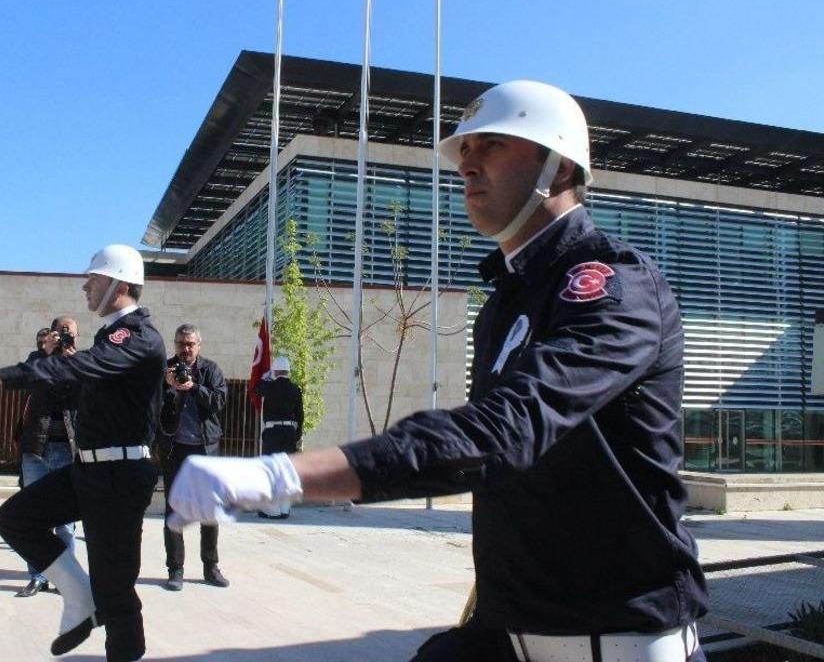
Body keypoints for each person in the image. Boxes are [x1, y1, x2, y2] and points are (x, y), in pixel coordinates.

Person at [168, 81, 710, 662]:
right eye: (465, 153)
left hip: (620, 636)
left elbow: (504, 432)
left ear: (556, 168)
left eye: (493, 146)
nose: (468, 167)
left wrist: (282, 476)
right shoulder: (506, 299)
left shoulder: (612, 285)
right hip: (508, 629)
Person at [0, 244, 165, 662]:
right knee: (16, 518)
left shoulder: (139, 337)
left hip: (120, 476)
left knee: (116, 592)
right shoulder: (111, 337)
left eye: (94, 278)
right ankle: (78, 597)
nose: (86, 285)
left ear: (119, 284)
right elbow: (65, 376)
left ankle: (114, 637)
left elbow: (75, 369)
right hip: (89, 469)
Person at [155, 323, 229, 591]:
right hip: (175, 449)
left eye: (190, 344)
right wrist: (165, 386)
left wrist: (194, 387)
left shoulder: (210, 370)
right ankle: (175, 569)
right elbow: (148, 402)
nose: (185, 349)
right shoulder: (165, 370)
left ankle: (211, 567)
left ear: (199, 345)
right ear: (174, 345)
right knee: (173, 510)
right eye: (181, 344)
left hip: (205, 449)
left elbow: (220, 401)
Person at [12, 316, 80, 598]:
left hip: (67, 449)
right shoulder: (36, 358)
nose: (66, 337)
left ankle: (66, 578)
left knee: (66, 522)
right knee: (34, 517)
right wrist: (47, 355)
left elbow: (79, 398)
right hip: (36, 449)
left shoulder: (82, 361)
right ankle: (37, 576)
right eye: (61, 333)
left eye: (70, 333)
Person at [254, 356, 303, 519]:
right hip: (289, 432)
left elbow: (256, 388)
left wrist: (266, 376)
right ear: (289, 372)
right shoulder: (296, 389)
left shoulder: (269, 387)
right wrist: (297, 436)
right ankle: (284, 509)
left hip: (273, 432)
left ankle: (272, 510)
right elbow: (300, 416)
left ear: (274, 372)